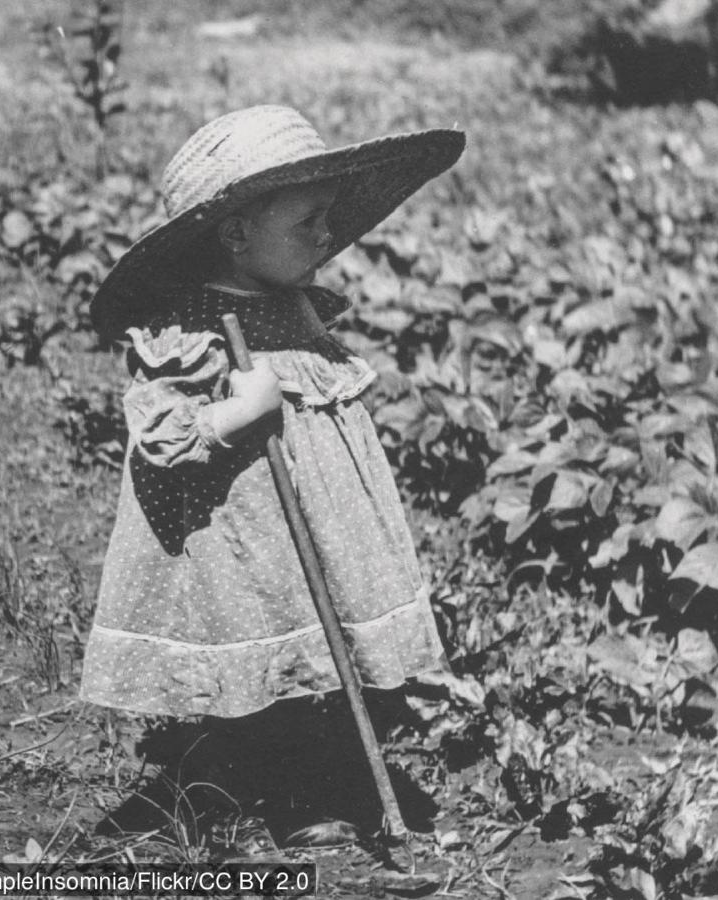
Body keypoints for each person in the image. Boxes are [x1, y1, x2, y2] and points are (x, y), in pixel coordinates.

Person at [79, 105, 464, 852]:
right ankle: (274, 786)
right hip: (243, 529)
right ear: (235, 235)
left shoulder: (295, 304)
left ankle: (321, 770)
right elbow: (160, 435)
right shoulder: (190, 323)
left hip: (322, 520)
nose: (327, 237)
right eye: (308, 222)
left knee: (319, 642)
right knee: (269, 649)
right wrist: (239, 409)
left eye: (328, 219)